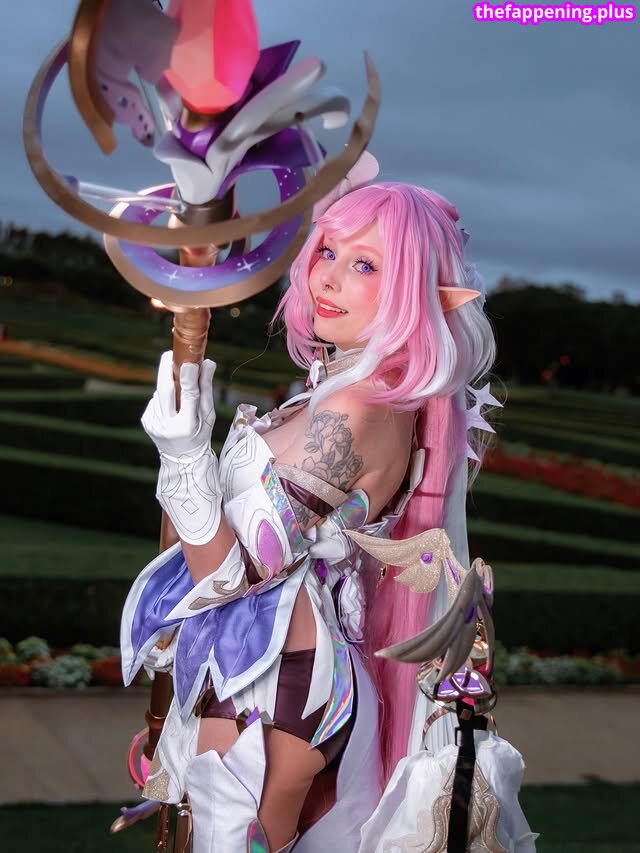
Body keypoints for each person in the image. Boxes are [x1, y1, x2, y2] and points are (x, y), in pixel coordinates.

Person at [121, 182, 536, 852]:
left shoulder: (359, 408)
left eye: (365, 264)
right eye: (327, 251)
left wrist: (184, 457)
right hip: (258, 669)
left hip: (275, 686)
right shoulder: (335, 394)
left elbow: (232, 574)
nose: (328, 277)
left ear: (412, 291)